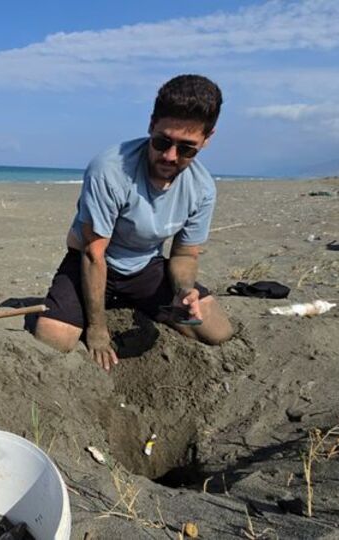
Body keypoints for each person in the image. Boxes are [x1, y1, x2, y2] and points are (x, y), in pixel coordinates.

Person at [33, 74, 234, 371]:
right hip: (90, 263)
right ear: (151, 124)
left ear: (207, 138)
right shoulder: (111, 169)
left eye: (186, 148)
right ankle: (91, 308)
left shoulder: (202, 187)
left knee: (217, 332)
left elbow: (184, 254)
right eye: (162, 141)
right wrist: (98, 330)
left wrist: (183, 290)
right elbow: (93, 253)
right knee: (54, 339)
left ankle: (139, 302)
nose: (170, 155)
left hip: (145, 269)